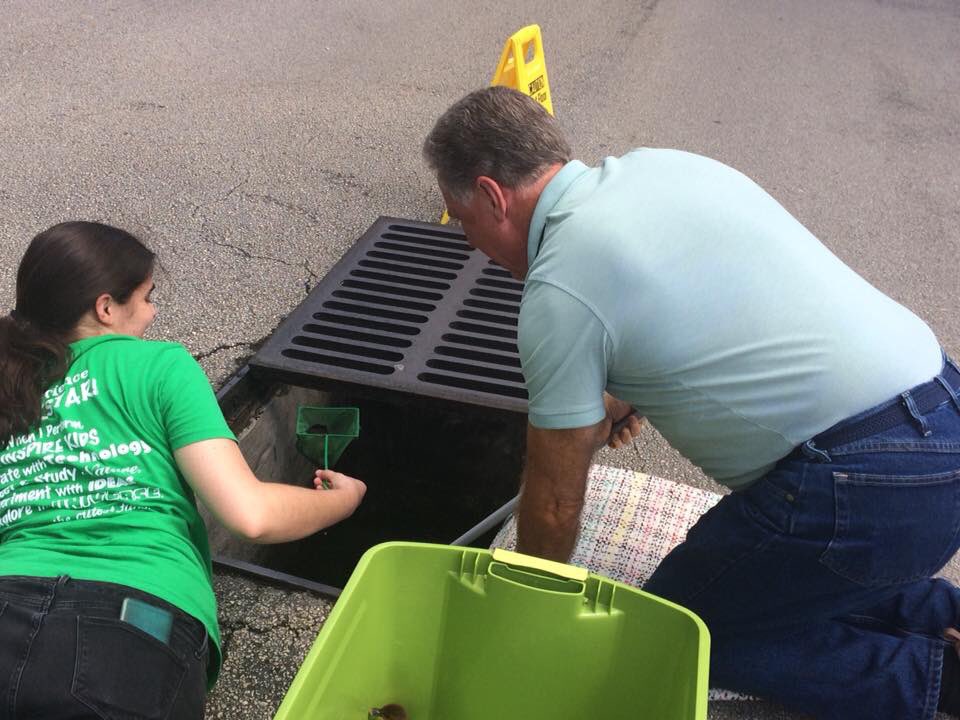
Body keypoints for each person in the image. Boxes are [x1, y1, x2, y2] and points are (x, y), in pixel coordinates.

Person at [422, 85, 960, 720]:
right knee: (780, 576)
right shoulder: (664, 166)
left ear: (492, 195)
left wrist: (527, 617)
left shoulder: (559, 288)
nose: (468, 245)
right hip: (941, 429)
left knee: (677, 631)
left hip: (862, 487)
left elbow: (555, 498)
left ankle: (934, 682)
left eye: (464, 222)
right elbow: (719, 299)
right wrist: (629, 390)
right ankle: (943, 615)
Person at [0, 221, 367, 718]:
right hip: (129, 623)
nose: (152, 315)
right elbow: (250, 514)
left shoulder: (10, 388)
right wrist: (343, 500)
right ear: (105, 307)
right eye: (148, 298)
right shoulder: (159, 366)